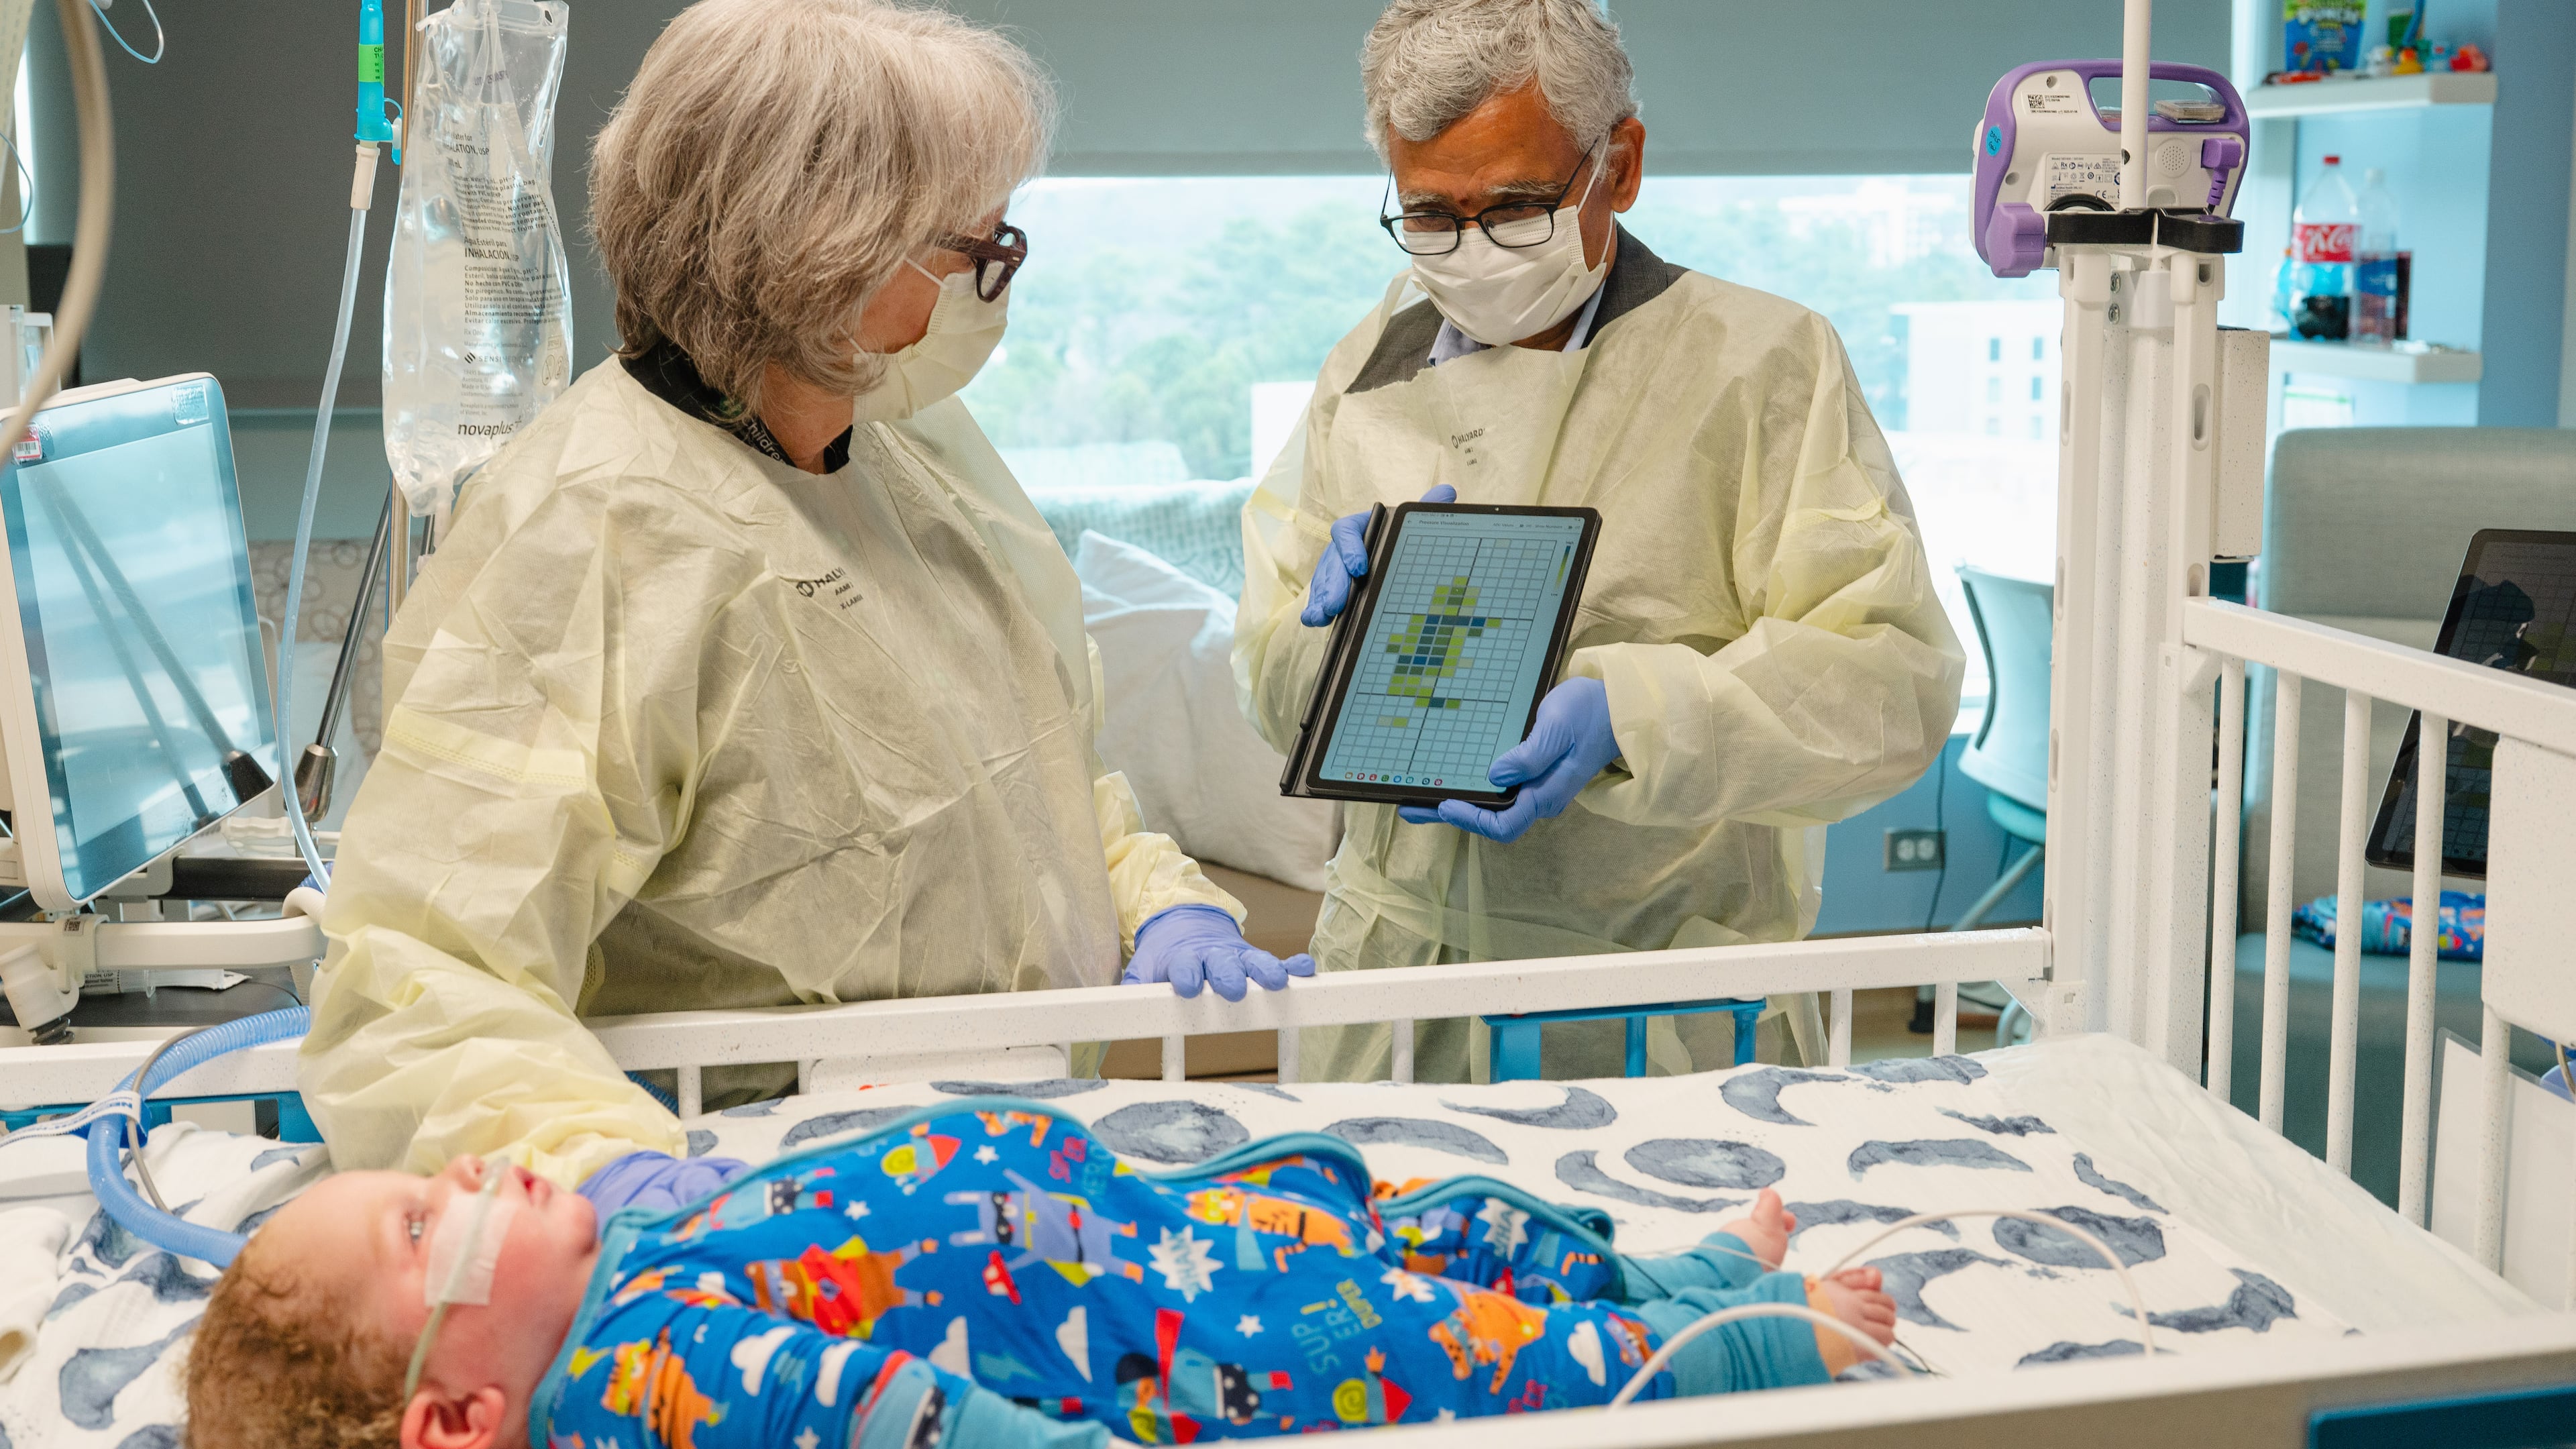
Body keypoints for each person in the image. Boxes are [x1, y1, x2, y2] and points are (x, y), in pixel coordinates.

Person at [301, 0, 1307, 1203]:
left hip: (999, 1160)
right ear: (818, 254)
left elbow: (1032, 776)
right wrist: (589, 1167)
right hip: (766, 1194)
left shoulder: (901, 454)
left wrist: (1152, 898)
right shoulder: (604, 526)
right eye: (972, 252)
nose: (992, 288)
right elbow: (422, 969)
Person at [1234, 0, 1962, 1083]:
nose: (1472, 250)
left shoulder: (1758, 364)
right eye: (1432, 215)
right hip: (1395, 994)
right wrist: (1333, 649)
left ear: (1617, 166)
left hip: (1656, 1005)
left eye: (1518, 206)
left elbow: (1886, 681)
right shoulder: (1368, 373)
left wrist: (1635, 714)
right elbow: (1270, 683)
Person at [183, 1104, 1897, 1448]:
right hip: (1165, 1337)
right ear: (457, 1419)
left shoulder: (627, 1265)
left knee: (1413, 1224)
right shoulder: (650, 1379)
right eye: (427, 1229)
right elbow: (898, 1423)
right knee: (1442, 1348)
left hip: (1129, 1235)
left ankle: (1664, 1277)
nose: (469, 1179)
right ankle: (1733, 1365)